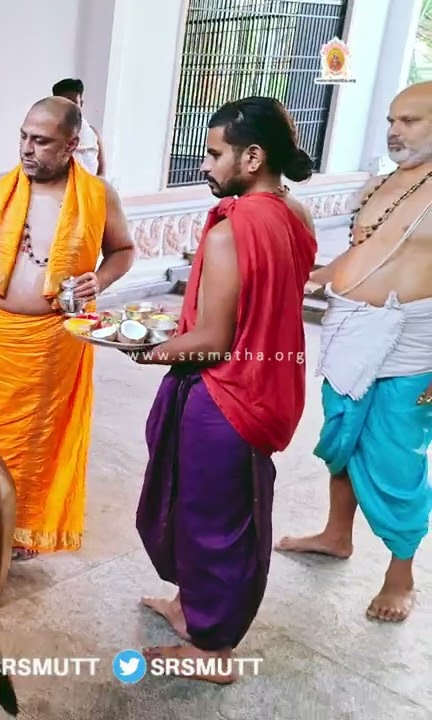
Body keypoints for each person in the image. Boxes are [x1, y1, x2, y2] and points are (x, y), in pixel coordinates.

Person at [130, 96, 317, 682]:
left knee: (212, 525)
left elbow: (212, 340)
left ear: (252, 157)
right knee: (200, 508)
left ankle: (212, 651)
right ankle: (189, 607)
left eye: (215, 154)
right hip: (269, 381)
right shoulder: (297, 215)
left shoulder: (230, 230)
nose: (205, 165)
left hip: (227, 394)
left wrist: (145, 348)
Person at [0, 97, 135, 559]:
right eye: (23, 136)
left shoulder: (98, 196)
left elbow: (123, 250)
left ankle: (23, 527)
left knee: (35, 443)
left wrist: (100, 279)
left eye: (41, 141)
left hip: (53, 344)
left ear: (71, 145)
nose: (26, 148)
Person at [277, 81, 432, 623]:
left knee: (396, 459)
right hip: (347, 332)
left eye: (410, 120)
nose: (395, 131)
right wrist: (313, 278)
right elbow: (364, 252)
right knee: (340, 440)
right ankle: (336, 534)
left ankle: (400, 574)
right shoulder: (380, 184)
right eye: (391, 119)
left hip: (410, 345)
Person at [52, 78, 105, 177]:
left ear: (81, 103)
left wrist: (92, 185)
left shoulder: (93, 134)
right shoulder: (48, 134)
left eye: (74, 102)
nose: (70, 108)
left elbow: (102, 171)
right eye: (65, 103)